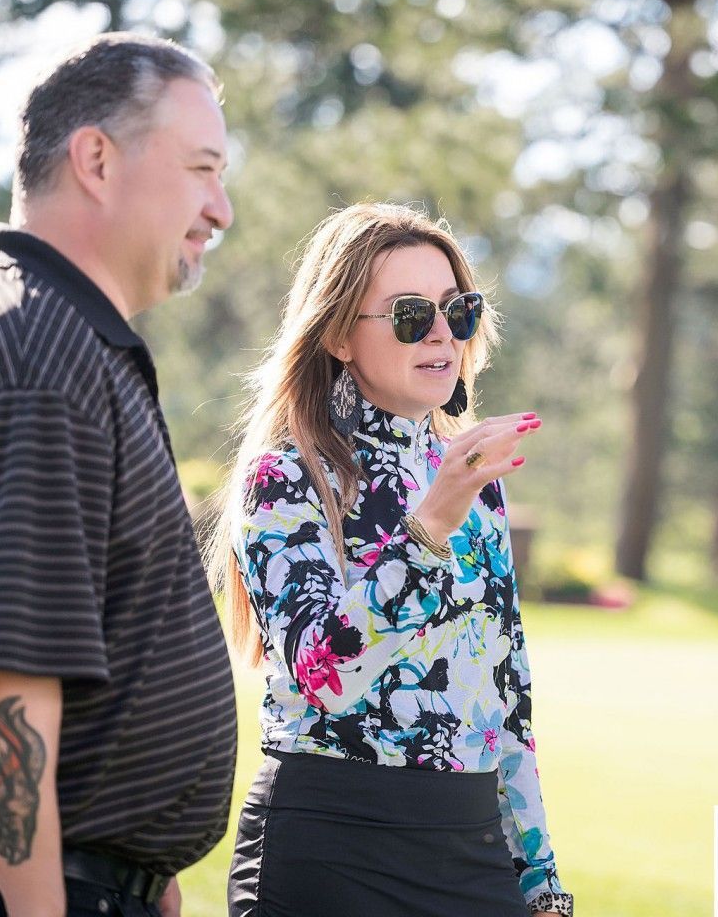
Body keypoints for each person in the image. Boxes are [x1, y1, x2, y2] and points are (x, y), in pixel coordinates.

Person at [0, 33, 238, 915]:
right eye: (201, 169)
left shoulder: (59, 337)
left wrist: (151, 870)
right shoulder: (36, 356)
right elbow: (2, 687)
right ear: (97, 160)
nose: (220, 209)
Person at [214, 202, 571, 916]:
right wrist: (430, 526)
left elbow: (506, 703)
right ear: (341, 334)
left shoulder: (477, 485)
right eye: (411, 314)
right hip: (332, 849)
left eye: (457, 311)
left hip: (469, 852)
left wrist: (540, 881)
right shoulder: (285, 479)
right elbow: (323, 674)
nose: (442, 334)